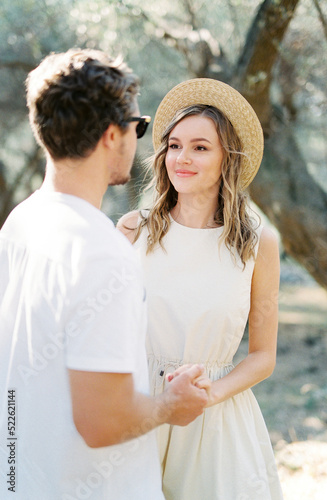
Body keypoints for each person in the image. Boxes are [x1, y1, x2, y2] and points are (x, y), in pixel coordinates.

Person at [0, 51, 210, 500]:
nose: (140, 140)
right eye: (139, 126)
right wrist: (171, 406)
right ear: (113, 134)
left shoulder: (21, 222)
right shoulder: (103, 253)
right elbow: (103, 422)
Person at [117, 78, 284, 499]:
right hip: (139, 415)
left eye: (200, 147)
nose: (181, 158)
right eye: (174, 145)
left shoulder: (257, 243)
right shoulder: (132, 230)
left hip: (214, 420)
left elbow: (263, 356)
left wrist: (211, 394)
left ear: (228, 158)